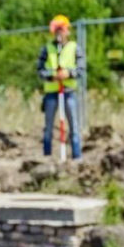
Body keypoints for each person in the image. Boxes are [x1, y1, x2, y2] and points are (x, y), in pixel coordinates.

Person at [37, 13, 83, 159]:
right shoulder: (47, 49)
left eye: (62, 30)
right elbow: (40, 69)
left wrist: (68, 74)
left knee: (74, 126)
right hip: (51, 92)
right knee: (48, 127)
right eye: (57, 30)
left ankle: (76, 157)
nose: (59, 33)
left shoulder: (74, 48)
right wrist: (52, 76)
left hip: (68, 91)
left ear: (67, 31)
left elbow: (81, 69)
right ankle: (47, 156)